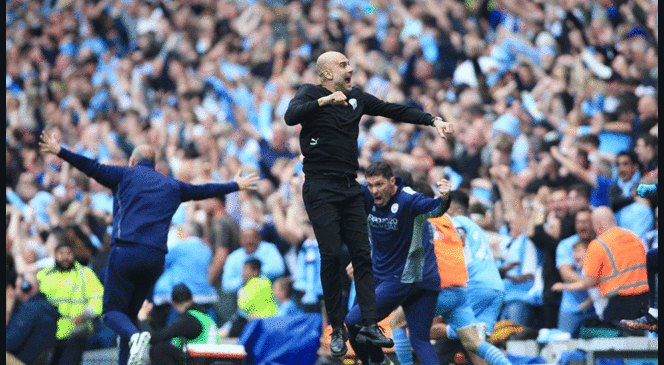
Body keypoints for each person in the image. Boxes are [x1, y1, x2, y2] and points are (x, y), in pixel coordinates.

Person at [284, 50, 454, 357]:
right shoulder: (310, 94)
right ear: (327, 74)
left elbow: (393, 109)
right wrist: (326, 101)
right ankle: (337, 328)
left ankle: (370, 322)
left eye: (350, 63)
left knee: (363, 255)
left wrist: (431, 119)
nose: (351, 68)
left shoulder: (357, 98)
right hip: (320, 185)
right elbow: (290, 116)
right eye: (343, 64)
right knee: (331, 254)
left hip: (350, 185)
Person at [38, 131, 259, 365]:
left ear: (132, 162)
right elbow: (203, 190)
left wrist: (60, 150)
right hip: (154, 260)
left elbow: (90, 166)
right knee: (129, 316)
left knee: (112, 312)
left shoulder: (124, 174)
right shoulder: (172, 185)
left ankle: (135, 335)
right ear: (154, 165)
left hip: (126, 252)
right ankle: (132, 344)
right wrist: (236, 184)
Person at [345, 161, 450, 365]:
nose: (375, 190)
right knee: (420, 340)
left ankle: (379, 362)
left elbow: (437, 209)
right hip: (418, 278)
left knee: (354, 321)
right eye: (371, 185)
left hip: (400, 277)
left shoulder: (409, 202)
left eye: (380, 184)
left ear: (393, 182)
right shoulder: (368, 197)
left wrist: (445, 197)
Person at [552, 207, 649, 325]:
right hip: (645, 299)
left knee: (616, 338)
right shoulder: (634, 237)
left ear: (597, 223)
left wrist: (565, 286)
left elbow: (590, 282)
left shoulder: (598, 245)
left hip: (619, 302)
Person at [36, 240, 104, 365]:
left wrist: (86, 314)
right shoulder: (44, 275)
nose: (65, 257)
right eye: (61, 253)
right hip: (50, 333)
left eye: (69, 253)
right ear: (55, 255)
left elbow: (98, 298)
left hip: (77, 332)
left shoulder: (85, 274)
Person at [137, 284, 219, 365]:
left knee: (159, 349)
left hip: (202, 360)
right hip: (210, 360)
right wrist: (149, 320)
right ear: (192, 298)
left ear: (173, 303)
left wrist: (143, 319)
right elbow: (161, 335)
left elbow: (154, 338)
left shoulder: (187, 320)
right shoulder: (201, 316)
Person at [6, 273, 59, 365]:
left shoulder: (30, 310)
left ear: (26, 287)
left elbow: (8, 343)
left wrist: (8, 307)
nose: (14, 290)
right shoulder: (43, 306)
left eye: (16, 286)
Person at [219, 259, 279, 338]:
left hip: (257, 321)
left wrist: (240, 294)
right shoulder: (266, 281)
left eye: (246, 269)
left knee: (234, 324)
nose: (243, 272)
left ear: (255, 272)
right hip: (270, 319)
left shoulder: (253, 284)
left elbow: (243, 306)